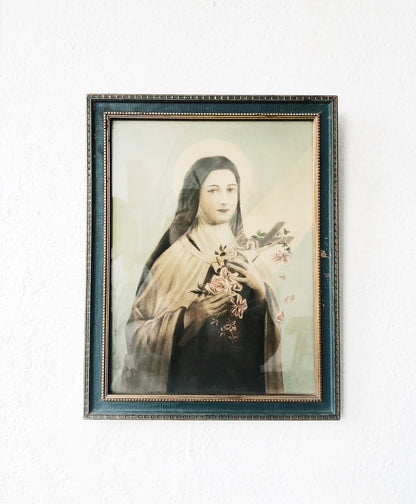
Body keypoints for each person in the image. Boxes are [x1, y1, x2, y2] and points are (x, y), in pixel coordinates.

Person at [120, 156, 284, 395]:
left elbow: (270, 347)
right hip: (188, 390)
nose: (224, 200)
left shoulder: (252, 259)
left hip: (245, 389)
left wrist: (260, 294)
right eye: (213, 191)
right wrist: (189, 316)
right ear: (195, 195)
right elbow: (135, 334)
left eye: (231, 190)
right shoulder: (172, 260)